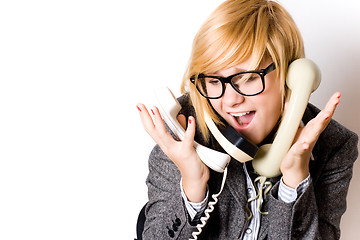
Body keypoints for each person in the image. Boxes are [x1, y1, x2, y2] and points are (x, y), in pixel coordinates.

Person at [136, 0, 359, 239]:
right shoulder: (182, 131)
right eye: (214, 81)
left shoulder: (335, 146)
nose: (230, 100)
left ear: (290, 76)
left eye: (249, 78)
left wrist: (294, 181)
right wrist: (193, 185)